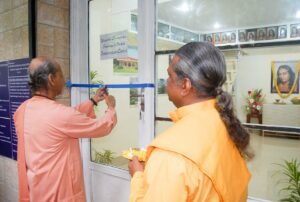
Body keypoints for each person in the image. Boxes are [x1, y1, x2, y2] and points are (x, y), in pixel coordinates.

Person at [128, 42, 251, 202]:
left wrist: (138, 176)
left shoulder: (170, 155)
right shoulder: (224, 122)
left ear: (185, 85)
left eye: (170, 76)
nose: (166, 81)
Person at [13, 57, 117, 202]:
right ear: (51, 79)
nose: (64, 79)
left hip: (37, 190)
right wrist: (111, 108)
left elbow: (65, 120)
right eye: (61, 75)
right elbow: (101, 127)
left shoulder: (22, 110)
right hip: (60, 193)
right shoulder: (60, 115)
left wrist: (93, 101)